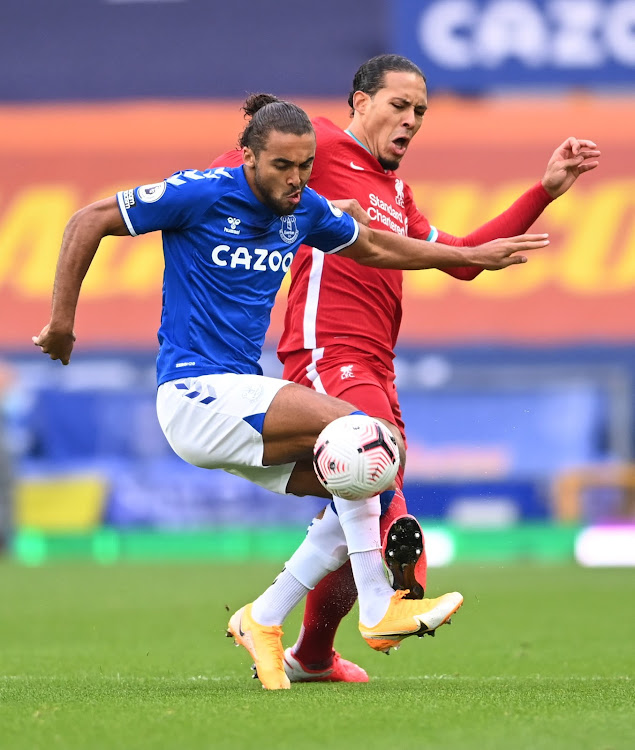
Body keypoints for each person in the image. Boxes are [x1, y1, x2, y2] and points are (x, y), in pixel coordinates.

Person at [33, 97, 551, 690]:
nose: (296, 179)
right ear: (249, 157)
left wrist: (466, 258)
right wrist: (62, 323)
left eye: (305, 165)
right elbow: (87, 219)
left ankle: (265, 616)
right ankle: (380, 607)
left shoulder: (303, 209)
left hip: (240, 395)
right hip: (194, 393)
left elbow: (378, 246)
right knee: (359, 434)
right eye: (282, 166)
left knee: (368, 474)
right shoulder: (201, 193)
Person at [211, 55, 601, 684]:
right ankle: (394, 603)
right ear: (359, 102)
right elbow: (245, 170)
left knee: (351, 506)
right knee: (373, 470)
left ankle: (305, 651)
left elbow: (462, 261)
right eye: (398, 104)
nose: (411, 119)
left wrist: (546, 191)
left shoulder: (394, 192)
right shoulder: (324, 144)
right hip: (326, 350)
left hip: (374, 360)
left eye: (420, 111)